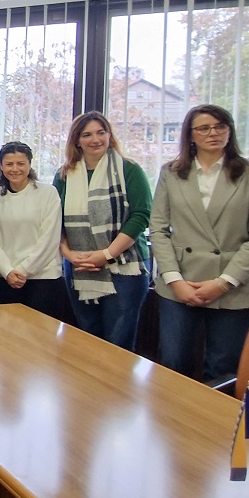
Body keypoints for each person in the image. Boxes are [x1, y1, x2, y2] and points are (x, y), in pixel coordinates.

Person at [151, 105, 249, 382]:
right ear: (190, 135)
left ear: (230, 131)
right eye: (204, 128)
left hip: (234, 285)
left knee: (224, 368)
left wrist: (223, 283)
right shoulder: (171, 172)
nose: (213, 133)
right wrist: (175, 281)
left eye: (220, 126)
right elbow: (158, 229)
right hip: (181, 282)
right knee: (173, 363)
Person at [55, 111, 153, 351]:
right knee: (88, 341)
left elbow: (141, 216)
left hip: (124, 267)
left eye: (101, 132)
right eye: (87, 135)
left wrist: (107, 254)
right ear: (77, 140)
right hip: (78, 266)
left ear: (110, 135)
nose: (95, 139)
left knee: (118, 344)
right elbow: (54, 220)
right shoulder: (64, 175)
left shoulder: (130, 169)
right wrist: (69, 255)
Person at [0, 141, 73, 324]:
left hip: (43, 279)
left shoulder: (48, 193)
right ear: (1, 166)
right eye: (9, 164)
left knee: (40, 337)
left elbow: (49, 239)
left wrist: (24, 271)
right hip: (5, 278)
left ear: (30, 164)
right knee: (5, 336)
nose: (15, 169)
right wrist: (8, 271)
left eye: (21, 163)